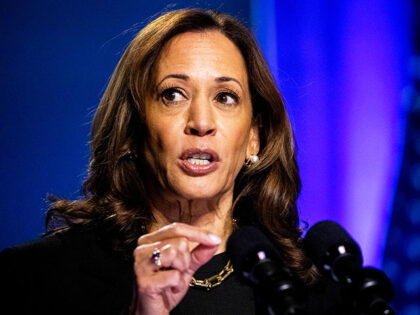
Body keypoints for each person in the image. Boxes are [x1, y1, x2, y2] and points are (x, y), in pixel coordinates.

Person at [0, 8, 348, 315]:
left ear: (254, 137)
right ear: (132, 131)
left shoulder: (314, 286)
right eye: (173, 95)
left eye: (225, 97)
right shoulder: (36, 277)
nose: (201, 122)